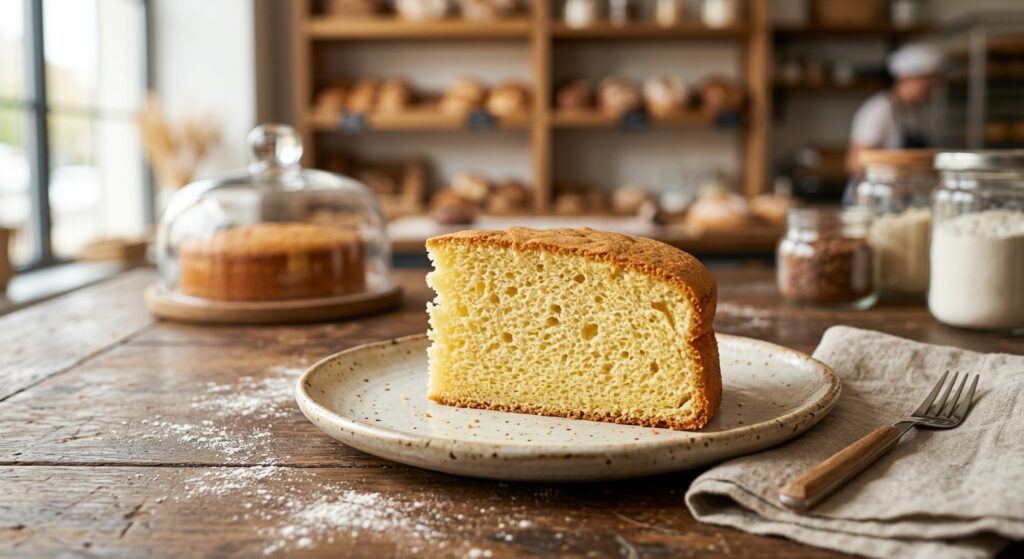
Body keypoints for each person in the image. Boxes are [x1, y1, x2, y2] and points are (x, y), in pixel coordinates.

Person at [845, 42, 942, 176]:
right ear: (906, 77)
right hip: (878, 193)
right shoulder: (880, 109)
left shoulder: (918, 112)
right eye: (927, 81)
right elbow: (855, 163)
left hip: (908, 192)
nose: (932, 88)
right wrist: (902, 175)